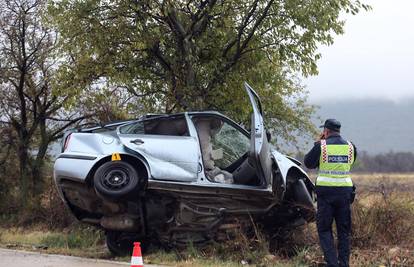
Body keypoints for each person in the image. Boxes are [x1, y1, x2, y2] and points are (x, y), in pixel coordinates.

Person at [304, 119, 357, 267]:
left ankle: (332, 264)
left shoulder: (321, 146)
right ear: (338, 131)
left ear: (326, 131)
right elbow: (350, 163)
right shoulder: (351, 147)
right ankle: (344, 264)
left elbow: (308, 163)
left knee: (324, 229)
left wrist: (318, 144)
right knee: (344, 231)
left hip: (326, 194)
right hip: (345, 194)